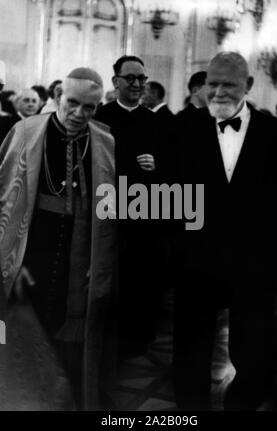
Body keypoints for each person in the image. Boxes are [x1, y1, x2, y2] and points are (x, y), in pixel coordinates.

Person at [171, 51, 277, 411]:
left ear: (248, 86)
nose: (218, 92)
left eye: (228, 84)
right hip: (196, 262)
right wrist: (174, 252)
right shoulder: (182, 127)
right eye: (212, 84)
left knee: (255, 348)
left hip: (254, 265)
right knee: (190, 348)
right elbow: (167, 195)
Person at [0, 67, 116, 410]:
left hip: (78, 253)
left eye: (90, 108)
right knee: (25, 340)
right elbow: (5, 199)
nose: (80, 114)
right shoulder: (24, 133)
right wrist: (11, 261)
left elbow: (111, 212)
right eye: (73, 104)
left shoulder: (106, 142)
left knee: (72, 342)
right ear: (57, 99)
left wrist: (101, 262)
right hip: (32, 248)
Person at [95, 55, 163, 358]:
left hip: (145, 211)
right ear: (116, 82)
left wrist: (157, 165)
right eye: (130, 78)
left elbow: (176, 165)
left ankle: (136, 337)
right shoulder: (99, 117)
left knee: (141, 276)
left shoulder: (157, 120)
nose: (137, 84)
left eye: (141, 79)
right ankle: (105, 334)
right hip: (107, 208)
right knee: (108, 274)